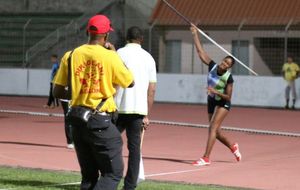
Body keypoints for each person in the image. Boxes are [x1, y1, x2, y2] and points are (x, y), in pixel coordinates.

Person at [52, 14, 134, 190]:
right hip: (100, 121)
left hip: (77, 120)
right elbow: (130, 81)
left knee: (89, 176)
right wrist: (114, 55)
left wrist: (80, 90)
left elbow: (57, 91)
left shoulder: (71, 55)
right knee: (113, 173)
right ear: (107, 35)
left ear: (87, 32)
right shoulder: (110, 56)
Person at [190, 24, 241, 166]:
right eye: (224, 61)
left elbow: (228, 97)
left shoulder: (229, 78)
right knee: (216, 132)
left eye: (228, 64)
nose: (224, 64)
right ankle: (233, 146)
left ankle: (206, 158)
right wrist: (195, 34)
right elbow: (200, 52)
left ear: (229, 67)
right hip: (211, 101)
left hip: (223, 103)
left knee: (212, 128)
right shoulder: (212, 66)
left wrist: (216, 91)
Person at [115, 26, 157, 190]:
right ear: (142, 39)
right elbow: (151, 89)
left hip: (117, 108)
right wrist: (146, 114)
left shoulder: (118, 53)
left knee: (108, 145)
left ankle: (108, 178)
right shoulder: (149, 58)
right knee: (134, 150)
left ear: (126, 38)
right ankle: (129, 186)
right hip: (138, 110)